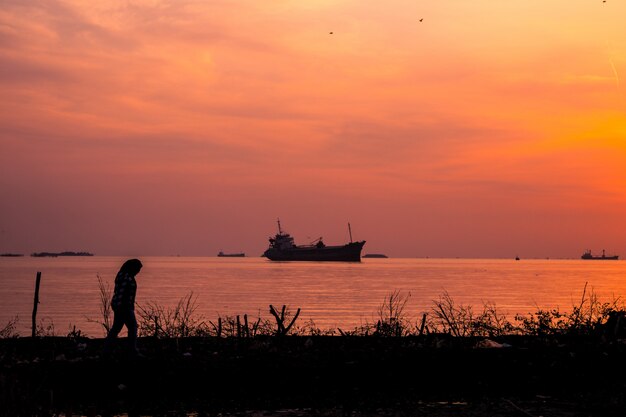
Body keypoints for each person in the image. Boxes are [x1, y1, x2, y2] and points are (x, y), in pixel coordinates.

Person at [103, 258, 143, 358]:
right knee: (132, 327)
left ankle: (106, 350)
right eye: (137, 269)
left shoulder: (123, 275)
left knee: (116, 328)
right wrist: (125, 307)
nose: (138, 272)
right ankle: (132, 351)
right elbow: (123, 293)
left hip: (120, 305)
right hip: (124, 306)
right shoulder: (126, 277)